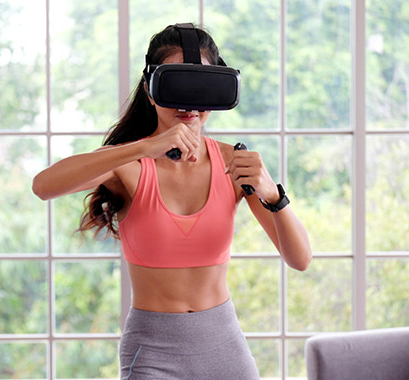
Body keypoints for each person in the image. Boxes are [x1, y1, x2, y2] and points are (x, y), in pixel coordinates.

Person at [33, 23, 311, 380]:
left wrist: (272, 193)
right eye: (178, 84)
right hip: (153, 353)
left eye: (202, 86)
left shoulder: (234, 163)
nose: (190, 104)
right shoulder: (129, 165)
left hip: (224, 346)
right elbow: (43, 186)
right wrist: (144, 147)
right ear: (151, 90)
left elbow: (300, 259)